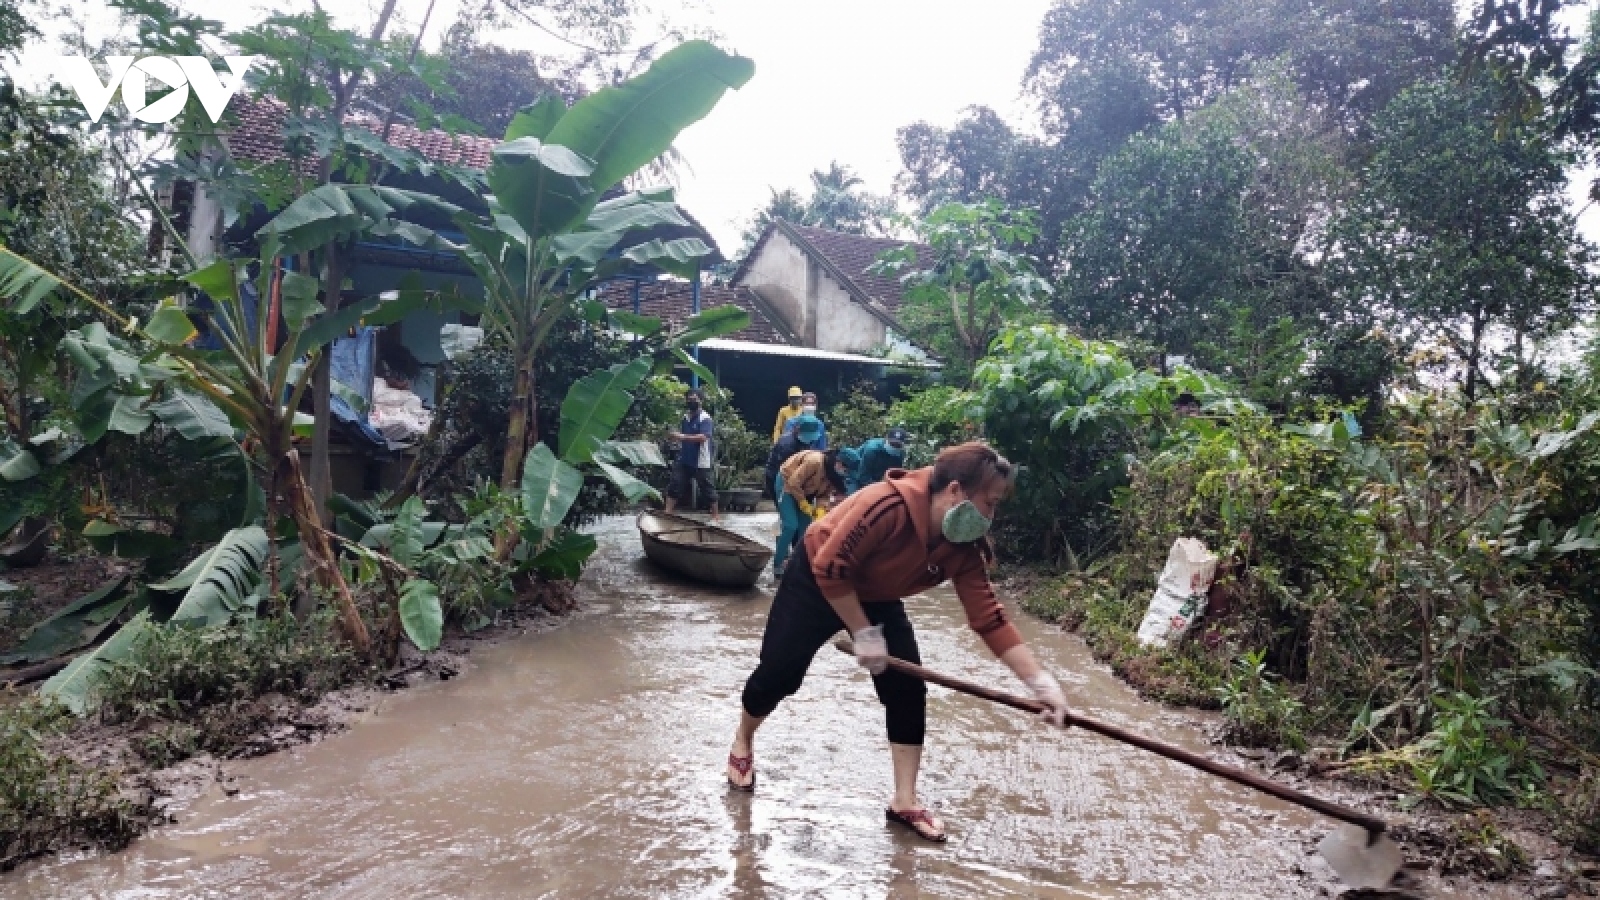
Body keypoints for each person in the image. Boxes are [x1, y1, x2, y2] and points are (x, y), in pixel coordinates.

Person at [724, 442, 1071, 843]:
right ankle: (743, 739)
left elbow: (989, 618)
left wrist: (1041, 684)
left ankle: (904, 801)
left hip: (877, 594)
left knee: (907, 690)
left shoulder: (964, 546)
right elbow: (832, 569)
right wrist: (864, 633)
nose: (991, 516)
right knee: (779, 677)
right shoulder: (884, 506)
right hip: (818, 579)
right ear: (956, 490)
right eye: (989, 503)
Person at [773, 446, 847, 577]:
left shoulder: (834, 475)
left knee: (806, 529)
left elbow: (824, 495)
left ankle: (797, 563)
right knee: (791, 526)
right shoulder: (815, 461)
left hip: (807, 490)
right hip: (787, 484)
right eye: (844, 467)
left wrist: (820, 510)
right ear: (838, 462)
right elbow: (794, 482)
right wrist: (802, 503)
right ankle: (778, 564)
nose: (845, 471)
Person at [665, 390, 719, 520]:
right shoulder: (686, 418)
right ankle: (667, 513)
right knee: (675, 484)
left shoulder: (705, 418)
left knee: (707, 489)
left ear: (701, 401)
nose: (691, 402)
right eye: (689, 399)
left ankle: (716, 516)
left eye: (694, 399)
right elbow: (683, 436)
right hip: (685, 458)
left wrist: (681, 437)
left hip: (701, 460)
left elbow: (703, 437)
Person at [764, 413, 822, 501]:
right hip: (778, 477)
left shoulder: (806, 441)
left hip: (795, 478)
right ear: (797, 430)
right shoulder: (787, 445)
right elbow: (786, 472)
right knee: (786, 507)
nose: (810, 441)